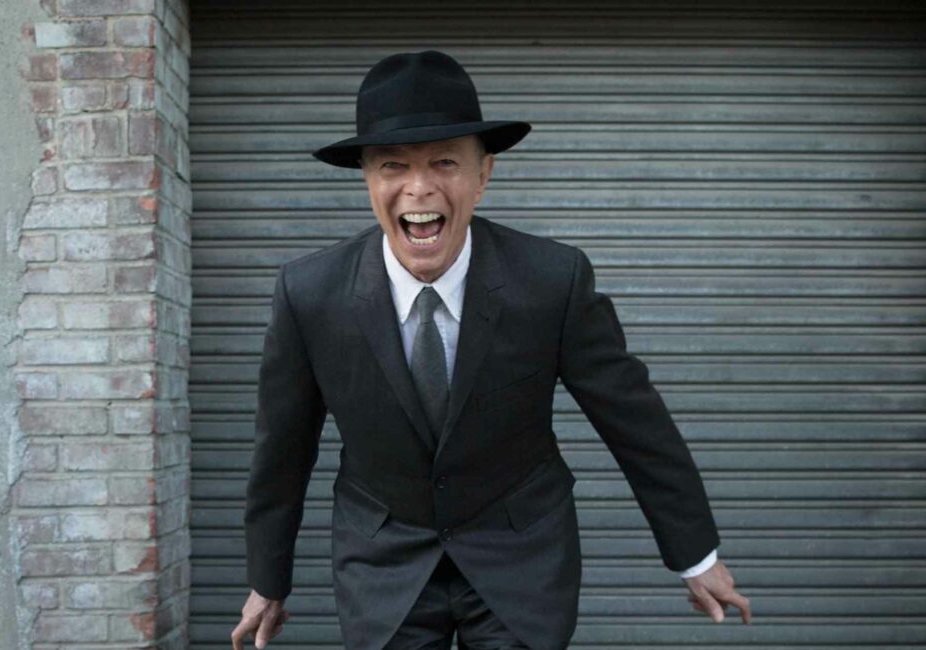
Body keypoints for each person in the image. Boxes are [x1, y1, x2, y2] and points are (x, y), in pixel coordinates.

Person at [232, 50, 751, 650]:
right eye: (393, 165)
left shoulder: (552, 281)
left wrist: (695, 556)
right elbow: (282, 449)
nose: (419, 187)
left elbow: (634, 420)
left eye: (446, 162)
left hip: (520, 552)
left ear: (484, 175)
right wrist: (267, 580)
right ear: (368, 180)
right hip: (384, 559)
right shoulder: (310, 294)